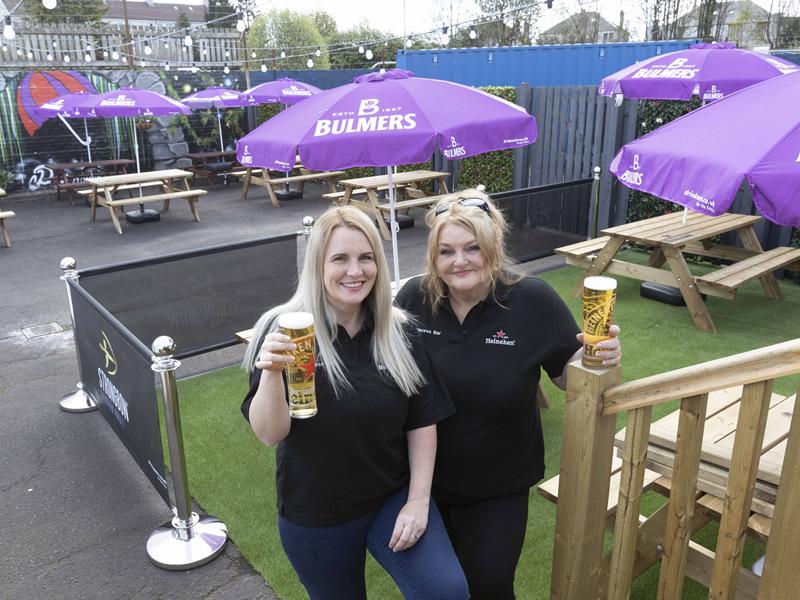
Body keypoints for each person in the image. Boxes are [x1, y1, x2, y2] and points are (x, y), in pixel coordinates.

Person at [395, 192, 622, 599]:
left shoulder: (533, 301)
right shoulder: (414, 299)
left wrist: (601, 357)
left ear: (493, 248)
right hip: (421, 481)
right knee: (436, 588)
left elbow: (568, 377)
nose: (459, 261)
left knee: (489, 586)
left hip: (498, 485)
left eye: (472, 248)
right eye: (446, 251)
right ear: (433, 256)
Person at [241, 206, 469, 600]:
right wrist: (273, 373)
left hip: (391, 496)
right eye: (340, 259)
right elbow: (269, 433)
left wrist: (417, 502)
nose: (355, 271)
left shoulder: (399, 331)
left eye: (365, 258)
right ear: (318, 265)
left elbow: (422, 421)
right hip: (317, 512)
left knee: (446, 591)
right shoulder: (285, 329)